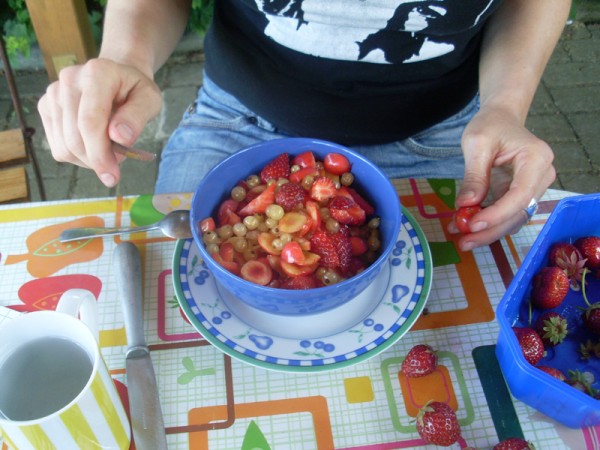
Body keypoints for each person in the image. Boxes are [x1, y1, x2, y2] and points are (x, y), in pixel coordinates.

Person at [37, 0, 572, 252]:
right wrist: (127, 59)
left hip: (439, 138)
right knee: (181, 306)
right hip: (235, 125)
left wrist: (505, 107)